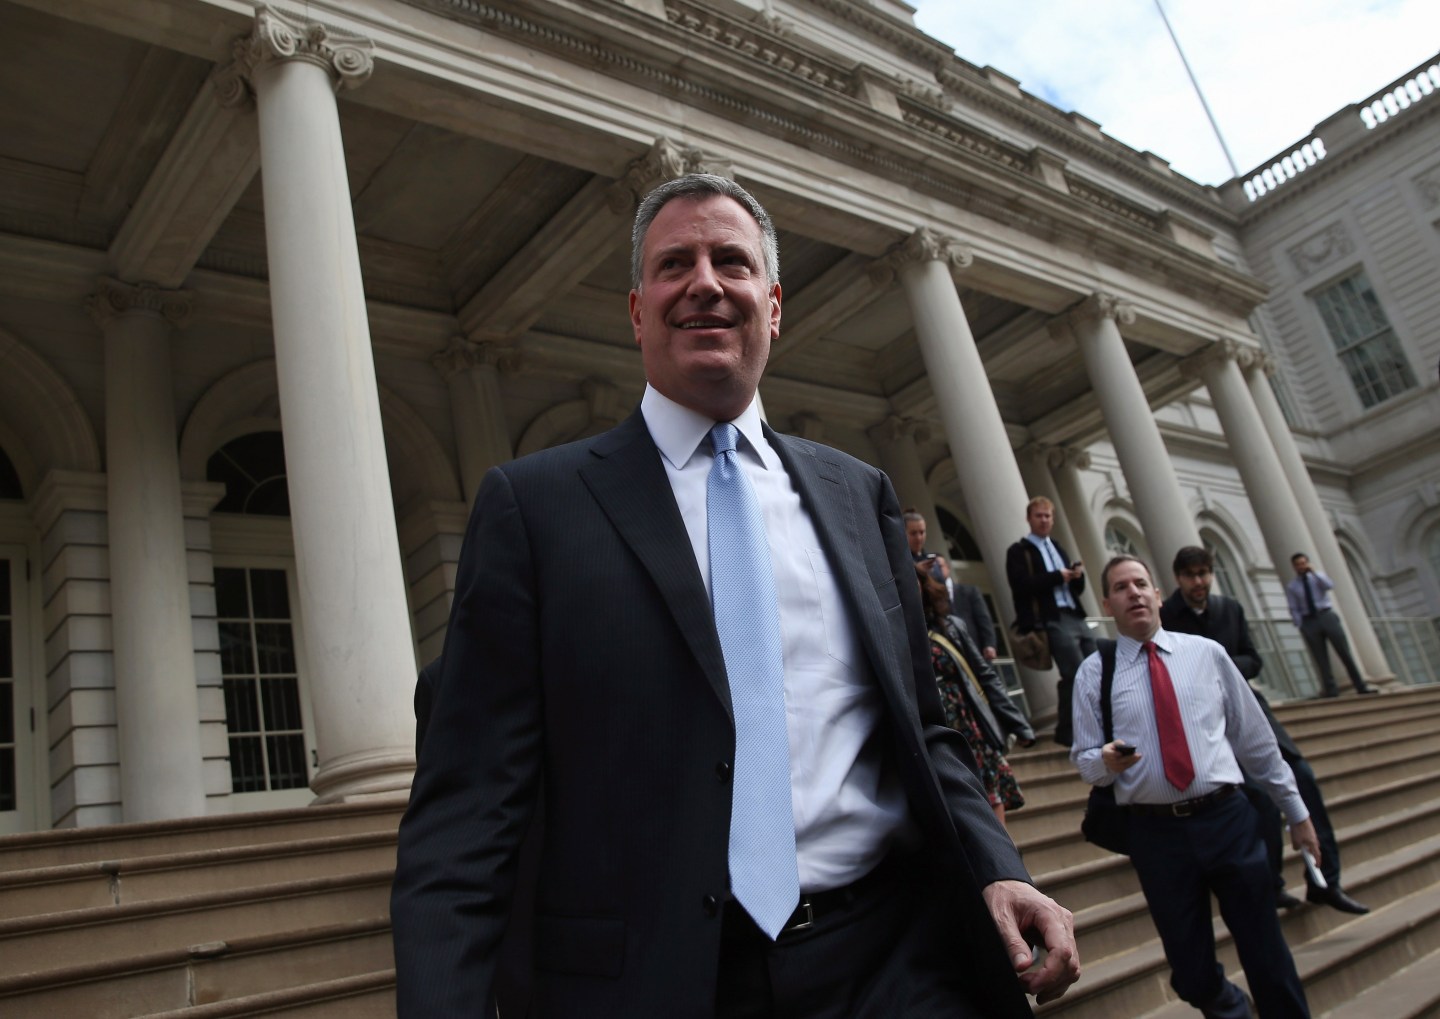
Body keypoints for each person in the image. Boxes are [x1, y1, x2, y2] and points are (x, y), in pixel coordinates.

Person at [391, 174, 1078, 1018]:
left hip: (895, 955)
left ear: (774, 304)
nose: (706, 282)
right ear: (638, 311)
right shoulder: (534, 507)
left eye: (732, 261)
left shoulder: (857, 494)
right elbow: (468, 810)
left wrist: (996, 865)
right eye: (674, 263)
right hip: (659, 981)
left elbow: (923, 728)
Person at [1073, 555, 1322, 1019]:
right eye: (1121, 587)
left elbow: (1256, 743)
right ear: (1108, 604)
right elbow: (1086, 763)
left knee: (1266, 952)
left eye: (1141, 583)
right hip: (1156, 836)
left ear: (1158, 595)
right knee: (1190, 970)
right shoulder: (1094, 672)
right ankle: (1230, 1009)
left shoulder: (1206, 654)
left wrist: (1298, 813)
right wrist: (1104, 761)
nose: (1134, 593)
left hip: (1228, 819)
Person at [1160, 547, 1368, 915]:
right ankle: (1271, 886)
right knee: (1259, 800)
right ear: (1178, 577)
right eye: (1192, 574)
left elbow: (1253, 659)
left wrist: (1220, 663)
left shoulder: (1230, 609)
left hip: (1252, 709)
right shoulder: (1166, 617)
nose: (1199, 581)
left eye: (1205, 573)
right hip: (1207, 722)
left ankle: (1327, 880)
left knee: (1302, 777)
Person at [915, 563, 1034, 826]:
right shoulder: (899, 635)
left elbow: (984, 675)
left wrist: (1017, 723)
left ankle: (1006, 863)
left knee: (990, 797)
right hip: (934, 731)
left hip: (970, 726)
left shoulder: (951, 627)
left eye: (916, 582)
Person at [1006, 497, 1095, 746]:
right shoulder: (1019, 551)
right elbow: (1021, 585)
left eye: (1048, 516)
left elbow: (1076, 588)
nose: (1044, 520)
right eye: (1039, 516)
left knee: (1094, 667)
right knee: (1076, 672)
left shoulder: (1057, 547)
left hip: (1075, 615)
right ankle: (1074, 730)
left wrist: (1076, 576)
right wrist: (1058, 576)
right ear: (1029, 518)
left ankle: (1066, 730)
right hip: (1052, 619)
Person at [1285, 553, 1377, 697]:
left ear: (1308, 563)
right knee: (1320, 658)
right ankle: (1331, 690)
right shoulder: (1292, 586)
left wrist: (1314, 572)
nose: (1301, 566)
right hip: (1309, 620)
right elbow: (1293, 606)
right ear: (1294, 567)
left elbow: (1329, 585)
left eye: (1303, 563)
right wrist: (1300, 624)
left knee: (1344, 651)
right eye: (1298, 564)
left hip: (1326, 615)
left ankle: (1360, 685)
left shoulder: (1317, 578)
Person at [903, 507, 952, 597]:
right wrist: (916, 570)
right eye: (913, 533)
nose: (918, 538)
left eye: (922, 532)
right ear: (903, 533)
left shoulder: (935, 560)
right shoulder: (900, 562)